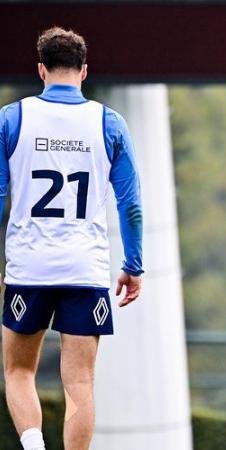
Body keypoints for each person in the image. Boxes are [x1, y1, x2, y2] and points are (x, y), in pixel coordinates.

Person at [0, 27, 143, 450]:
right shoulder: (109, 123)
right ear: (84, 71)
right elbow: (130, 204)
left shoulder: (11, 119)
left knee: (18, 372)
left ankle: (33, 446)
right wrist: (133, 265)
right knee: (80, 382)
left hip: (29, 268)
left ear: (41, 70)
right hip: (85, 268)